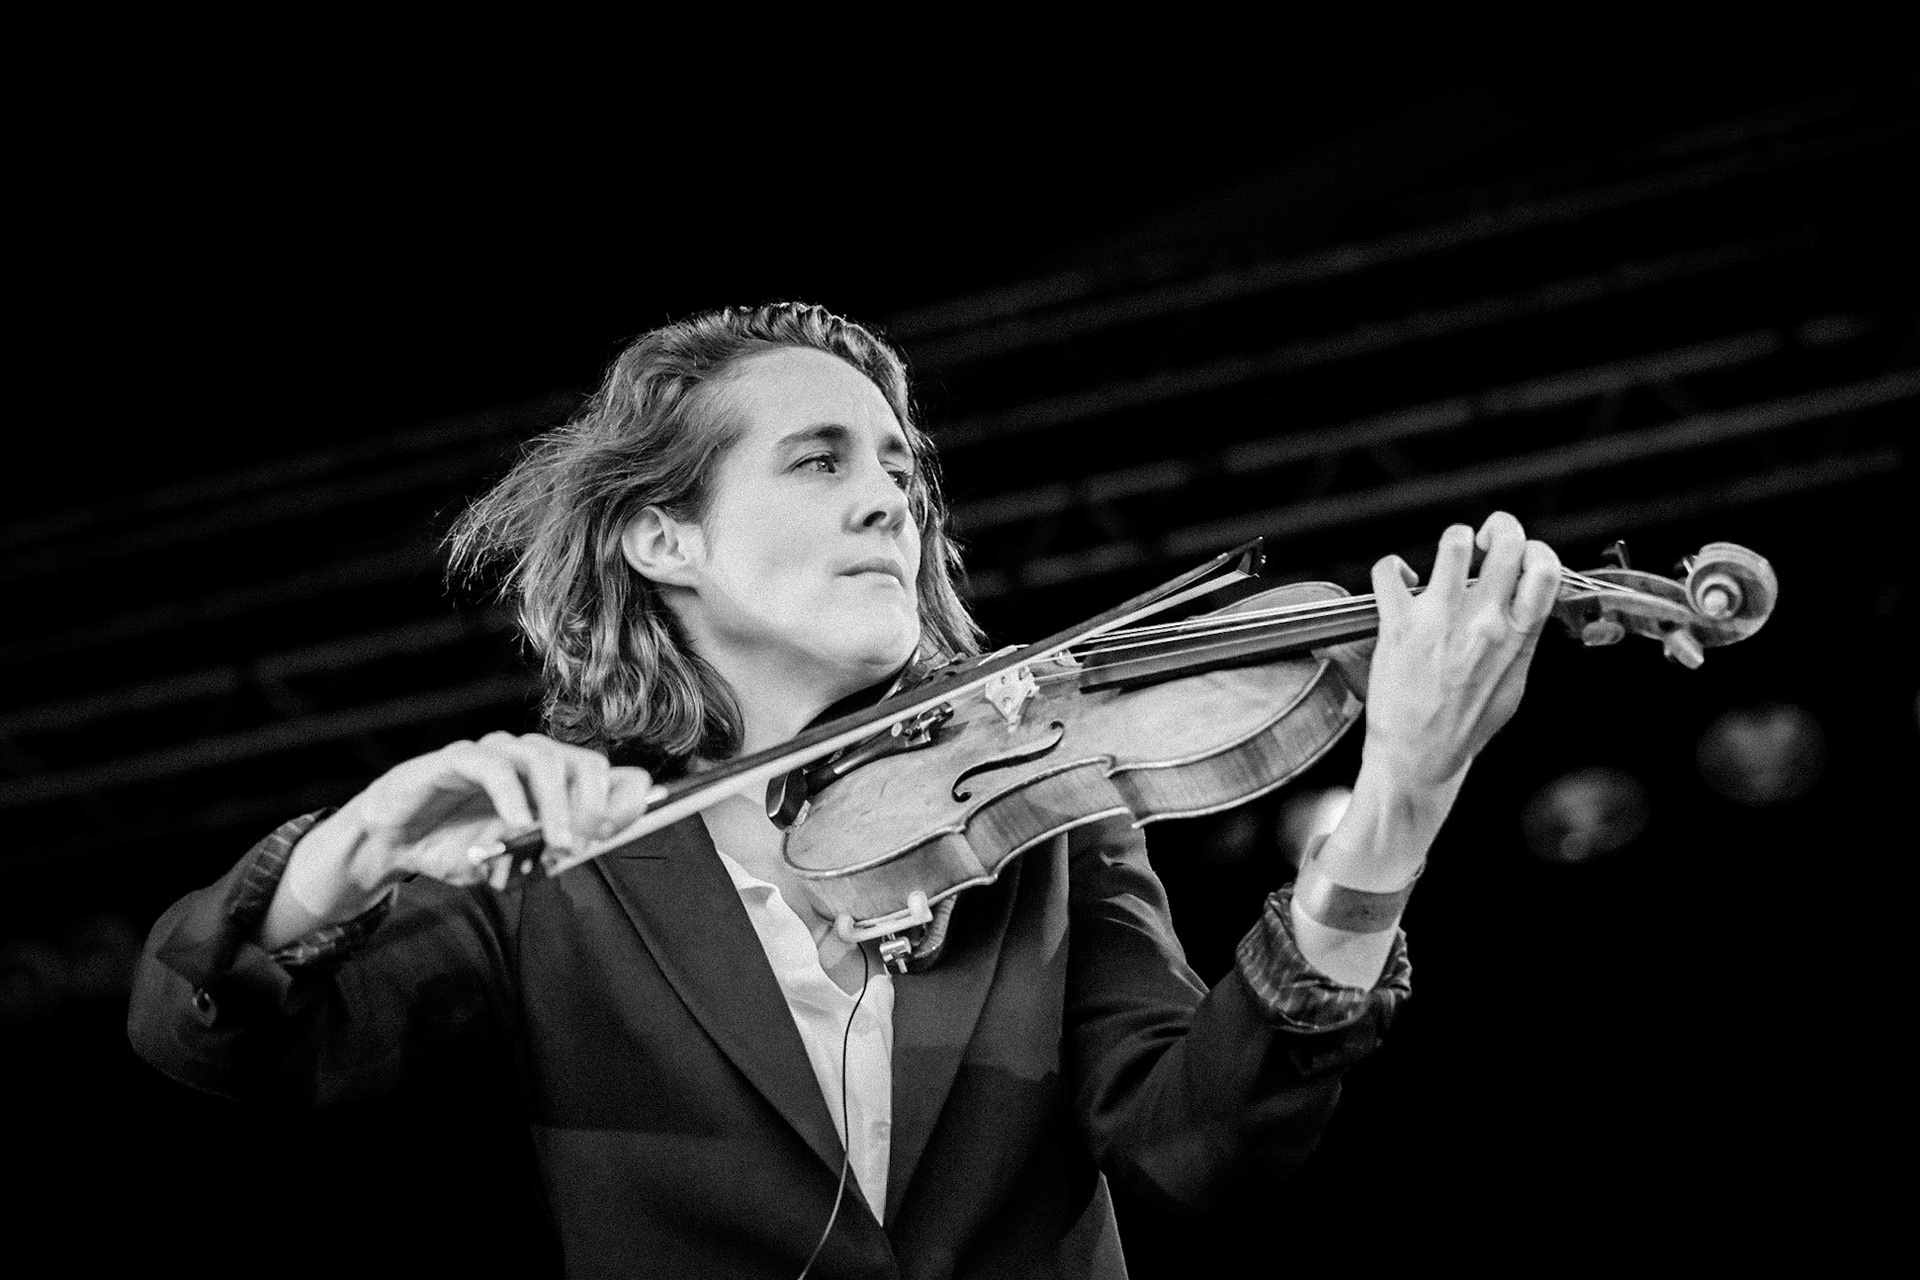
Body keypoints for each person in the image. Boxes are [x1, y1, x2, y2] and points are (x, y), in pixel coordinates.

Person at [128, 301, 1563, 1278]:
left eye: (900, 467)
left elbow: (1197, 1151)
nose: (893, 499)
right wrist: (351, 853)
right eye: (819, 462)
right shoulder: (563, 873)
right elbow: (224, 1046)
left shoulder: (1048, 824)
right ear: (660, 539)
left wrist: (1395, 814)